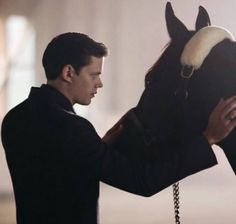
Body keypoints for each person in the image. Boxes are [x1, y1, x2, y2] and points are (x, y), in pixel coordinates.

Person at [1, 32, 236, 224]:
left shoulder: (14, 119)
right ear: (68, 73)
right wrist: (208, 138)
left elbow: (54, 171)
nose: (99, 83)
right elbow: (143, 180)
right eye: (94, 75)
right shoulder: (75, 129)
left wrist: (98, 148)